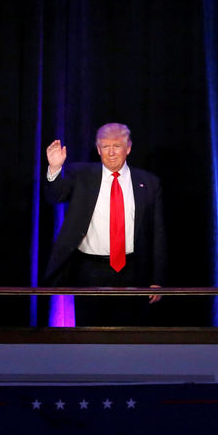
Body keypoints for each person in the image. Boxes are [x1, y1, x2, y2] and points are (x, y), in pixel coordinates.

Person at [43, 123, 165, 326]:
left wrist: (157, 278)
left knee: (129, 336)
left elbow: (158, 233)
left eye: (117, 146)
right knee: (89, 336)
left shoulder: (149, 183)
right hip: (89, 271)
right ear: (98, 149)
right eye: (105, 146)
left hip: (132, 271)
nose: (111, 153)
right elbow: (55, 195)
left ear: (128, 148)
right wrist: (55, 168)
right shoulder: (81, 175)